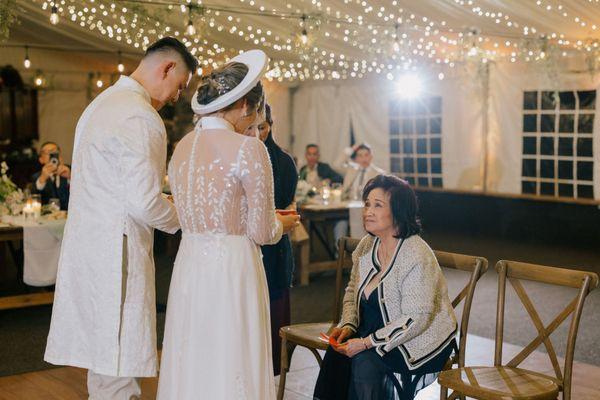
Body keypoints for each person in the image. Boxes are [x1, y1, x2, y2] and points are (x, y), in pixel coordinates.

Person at [44, 37, 197, 399]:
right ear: (167, 68)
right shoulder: (141, 116)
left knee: (103, 362)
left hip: (90, 245)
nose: (177, 97)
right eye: (179, 87)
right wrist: (186, 216)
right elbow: (144, 202)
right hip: (117, 251)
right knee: (119, 364)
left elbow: (115, 185)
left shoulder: (101, 105)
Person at [157, 50, 300, 399]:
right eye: (254, 108)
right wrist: (285, 224)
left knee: (192, 349)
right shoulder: (249, 149)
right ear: (244, 104)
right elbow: (262, 232)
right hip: (234, 266)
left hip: (190, 262)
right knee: (234, 350)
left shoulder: (183, 146)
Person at [313, 175, 457, 400]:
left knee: (364, 361)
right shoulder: (367, 244)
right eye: (367, 204)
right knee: (337, 353)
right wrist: (349, 324)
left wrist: (365, 343)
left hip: (417, 336)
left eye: (377, 205)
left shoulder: (416, 254)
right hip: (376, 326)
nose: (368, 211)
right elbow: (352, 290)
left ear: (398, 211)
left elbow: (416, 318)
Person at [246, 103, 298, 374]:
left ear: (271, 126)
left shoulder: (284, 161)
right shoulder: (241, 155)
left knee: (273, 312)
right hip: (246, 244)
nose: (258, 134)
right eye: (252, 128)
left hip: (275, 247)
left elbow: (284, 204)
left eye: (263, 128)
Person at [332, 143, 386, 242]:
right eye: (360, 156)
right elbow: (336, 165)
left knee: (357, 215)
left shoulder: (378, 173)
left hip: (366, 207)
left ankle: (359, 249)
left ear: (371, 157)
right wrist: (351, 149)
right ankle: (339, 251)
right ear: (356, 158)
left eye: (366, 155)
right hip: (347, 205)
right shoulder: (351, 169)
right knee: (339, 223)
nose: (363, 159)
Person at [31, 141, 70, 210]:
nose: (52, 155)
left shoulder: (71, 171)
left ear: (60, 156)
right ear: (41, 160)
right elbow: (35, 201)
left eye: (55, 152)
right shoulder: (37, 177)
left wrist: (71, 178)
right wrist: (42, 180)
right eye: (48, 152)